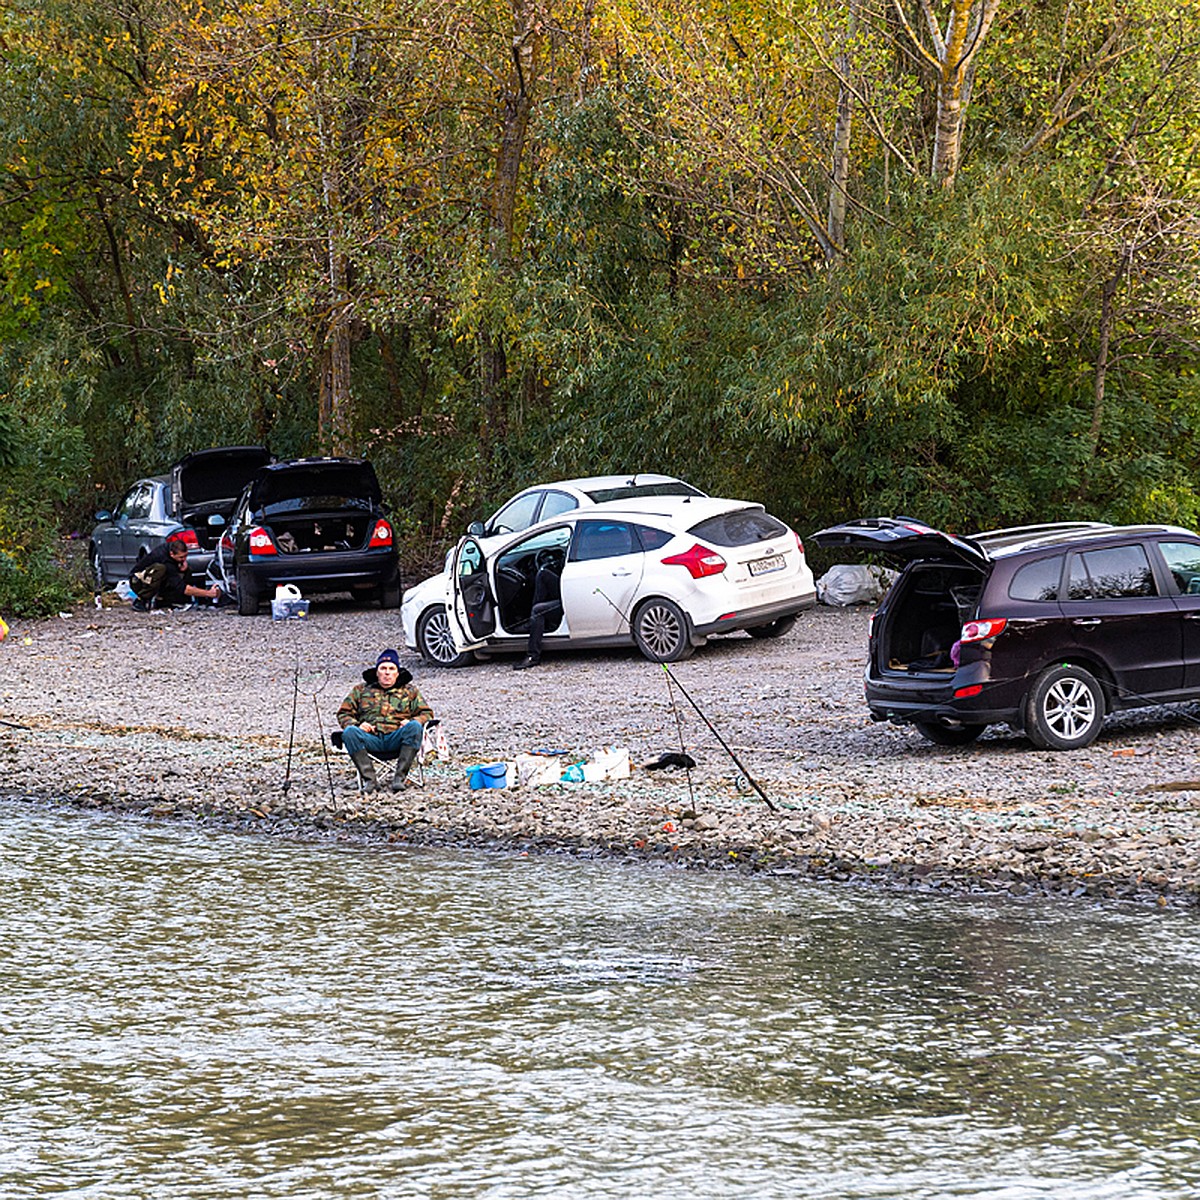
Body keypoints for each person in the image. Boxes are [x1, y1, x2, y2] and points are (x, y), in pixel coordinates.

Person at [336, 649, 434, 792]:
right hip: (371, 738)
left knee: (415, 727)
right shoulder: (360, 690)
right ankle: (370, 780)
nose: (387, 673)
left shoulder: (410, 691)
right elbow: (343, 713)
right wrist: (357, 725)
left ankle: (399, 778)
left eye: (391, 669)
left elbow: (426, 713)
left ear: (397, 672)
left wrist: (413, 721)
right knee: (350, 732)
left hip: (397, 738)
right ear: (377, 672)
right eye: (383, 668)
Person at [130, 535, 220, 611]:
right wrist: (208, 593)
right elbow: (182, 587)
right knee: (161, 570)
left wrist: (183, 565)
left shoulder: (172, 549)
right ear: (172, 554)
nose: (184, 559)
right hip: (138, 581)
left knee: (187, 571)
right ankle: (141, 599)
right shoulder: (165, 560)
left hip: (152, 577)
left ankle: (166, 600)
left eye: (185, 556)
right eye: (181, 557)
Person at [513, 548, 563, 671]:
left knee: (538, 610)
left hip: (570, 601)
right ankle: (535, 622)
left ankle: (532, 656)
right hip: (567, 592)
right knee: (543, 574)